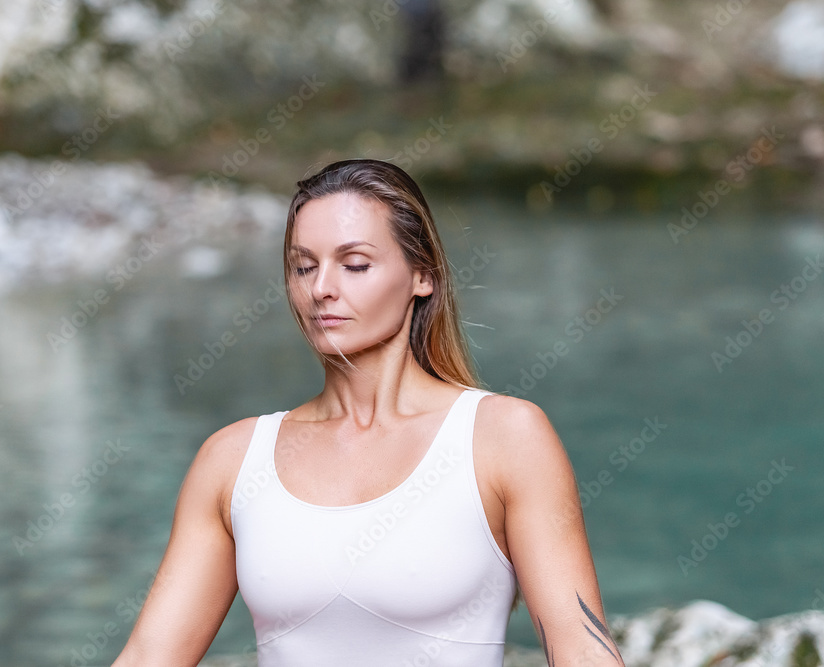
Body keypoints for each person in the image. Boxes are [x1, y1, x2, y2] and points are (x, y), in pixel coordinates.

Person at [111, 159, 624, 667]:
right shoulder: (232, 460)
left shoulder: (504, 437)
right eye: (303, 266)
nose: (320, 289)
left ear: (422, 274)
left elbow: (581, 650)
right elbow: (149, 657)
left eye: (354, 264)